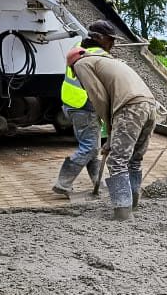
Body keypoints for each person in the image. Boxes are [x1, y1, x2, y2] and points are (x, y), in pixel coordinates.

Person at [67, 43, 157, 220]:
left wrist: (109, 130)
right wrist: (111, 137)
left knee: (117, 161)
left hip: (130, 107)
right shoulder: (107, 61)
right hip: (150, 106)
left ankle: (123, 212)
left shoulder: (81, 64)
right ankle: (132, 204)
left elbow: (98, 97)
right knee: (134, 160)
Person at [51, 20, 118, 197]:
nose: (113, 43)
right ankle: (63, 183)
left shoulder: (79, 46)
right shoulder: (98, 56)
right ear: (99, 38)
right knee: (89, 147)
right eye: (110, 39)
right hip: (84, 105)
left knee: (92, 147)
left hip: (73, 102)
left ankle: (97, 183)